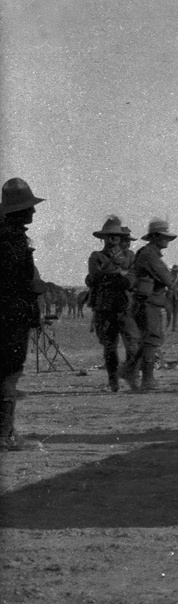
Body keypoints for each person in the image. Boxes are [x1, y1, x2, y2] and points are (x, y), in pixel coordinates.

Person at [1, 178, 47, 450]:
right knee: (9, 374)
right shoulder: (14, 241)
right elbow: (26, 280)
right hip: (12, 314)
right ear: (17, 210)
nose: (33, 212)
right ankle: (5, 436)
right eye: (29, 207)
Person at [119, 217, 177, 393]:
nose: (167, 240)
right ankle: (147, 379)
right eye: (164, 236)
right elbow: (167, 279)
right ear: (155, 237)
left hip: (148, 302)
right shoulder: (150, 255)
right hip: (148, 303)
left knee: (149, 340)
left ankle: (130, 371)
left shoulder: (148, 253)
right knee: (152, 339)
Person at [84, 215, 139, 392]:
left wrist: (112, 277)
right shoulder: (96, 256)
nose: (113, 238)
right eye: (109, 235)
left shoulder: (130, 256)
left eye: (115, 235)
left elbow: (131, 279)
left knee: (133, 345)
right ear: (104, 238)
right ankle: (113, 382)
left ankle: (129, 375)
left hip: (126, 307)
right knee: (110, 348)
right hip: (105, 308)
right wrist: (119, 274)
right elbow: (94, 276)